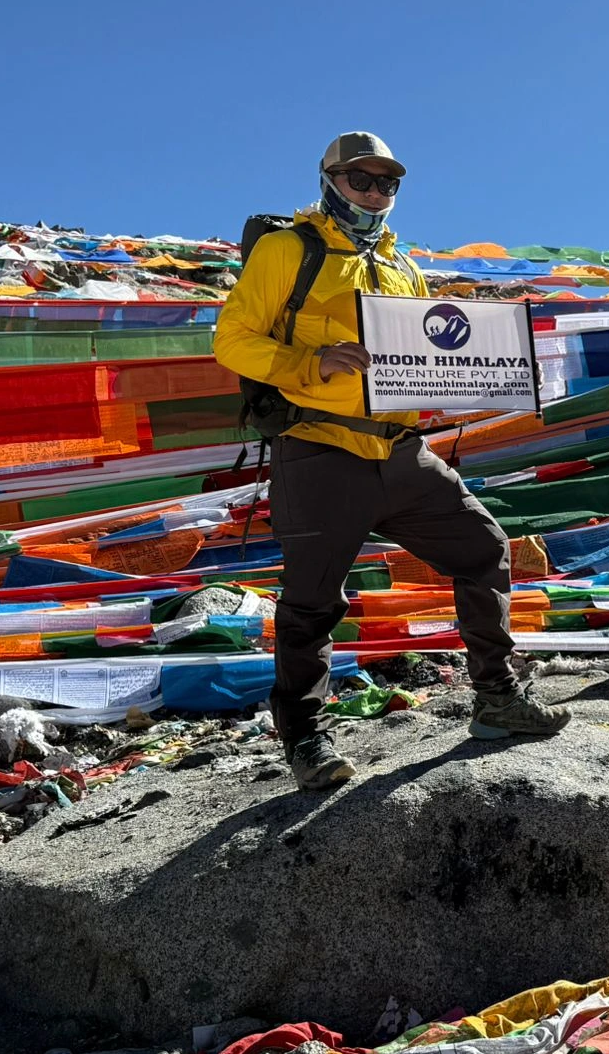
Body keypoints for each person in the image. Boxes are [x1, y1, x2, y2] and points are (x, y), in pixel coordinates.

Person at [214, 131, 569, 790]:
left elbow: (423, 353)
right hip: (321, 449)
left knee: (484, 548)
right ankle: (305, 738)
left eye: (387, 183)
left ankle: (497, 698)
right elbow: (232, 338)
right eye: (361, 179)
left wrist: (473, 373)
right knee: (313, 603)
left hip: (404, 454)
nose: (376, 193)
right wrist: (308, 362)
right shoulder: (290, 252)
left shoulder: (404, 269)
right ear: (328, 180)